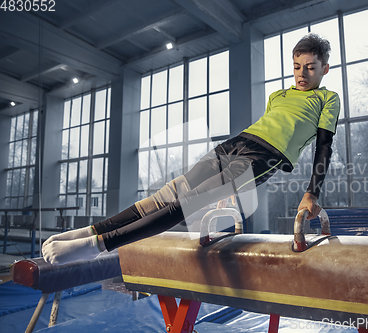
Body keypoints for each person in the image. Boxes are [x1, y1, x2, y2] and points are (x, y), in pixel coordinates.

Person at [42, 33, 340, 265]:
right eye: (297, 67)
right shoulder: (278, 94)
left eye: (310, 68)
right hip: (235, 144)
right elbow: (267, 123)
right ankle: (92, 231)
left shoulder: (328, 98)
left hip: (264, 157)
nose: (302, 74)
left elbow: (323, 147)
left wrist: (312, 192)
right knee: (166, 194)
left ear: (324, 68)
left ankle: (99, 246)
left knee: (188, 202)